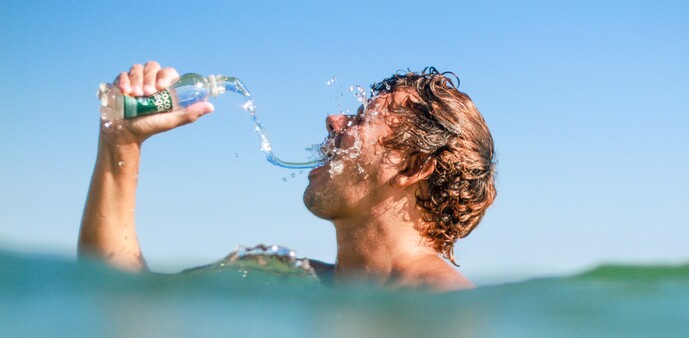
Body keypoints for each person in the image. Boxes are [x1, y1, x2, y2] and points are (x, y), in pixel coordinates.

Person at [79, 62, 497, 291]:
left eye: (361, 117)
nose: (333, 120)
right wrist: (120, 144)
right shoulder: (286, 279)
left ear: (410, 167)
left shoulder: (443, 307)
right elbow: (119, 300)